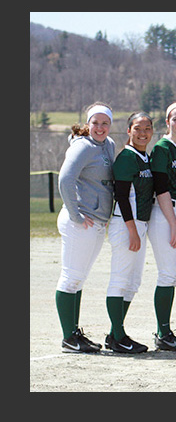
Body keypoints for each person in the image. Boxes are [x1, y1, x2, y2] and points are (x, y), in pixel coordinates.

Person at [56, 102, 116, 353]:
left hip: (96, 221)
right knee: (70, 279)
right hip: (81, 222)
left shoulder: (108, 144)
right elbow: (65, 179)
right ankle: (68, 337)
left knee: (79, 279)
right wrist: (76, 214)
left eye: (105, 123)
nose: (100, 127)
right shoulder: (82, 146)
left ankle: (74, 331)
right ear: (88, 124)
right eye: (95, 123)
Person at [146, 101, 176, 351]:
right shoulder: (163, 148)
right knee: (167, 274)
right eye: (175, 119)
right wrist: (174, 224)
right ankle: (163, 332)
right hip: (167, 214)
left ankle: (166, 332)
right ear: (167, 122)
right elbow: (161, 188)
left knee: (174, 275)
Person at [105, 111, 154, 354]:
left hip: (139, 225)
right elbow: (122, 197)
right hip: (126, 225)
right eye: (137, 128)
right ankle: (119, 335)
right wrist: (132, 231)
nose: (143, 133)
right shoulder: (126, 158)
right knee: (120, 280)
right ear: (129, 131)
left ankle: (115, 334)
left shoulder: (144, 157)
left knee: (133, 282)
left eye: (147, 128)